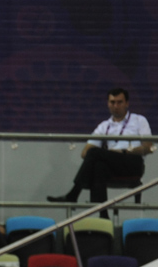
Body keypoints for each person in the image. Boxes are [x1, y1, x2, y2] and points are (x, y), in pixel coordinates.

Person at [48, 87, 153, 215]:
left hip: (132, 162)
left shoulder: (139, 120)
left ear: (127, 103)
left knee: (95, 153)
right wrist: (106, 154)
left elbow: (148, 148)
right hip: (112, 164)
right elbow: (85, 153)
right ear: (108, 104)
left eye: (119, 102)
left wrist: (124, 151)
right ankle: (103, 216)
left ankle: (73, 194)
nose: (116, 106)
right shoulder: (104, 126)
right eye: (112, 102)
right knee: (99, 166)